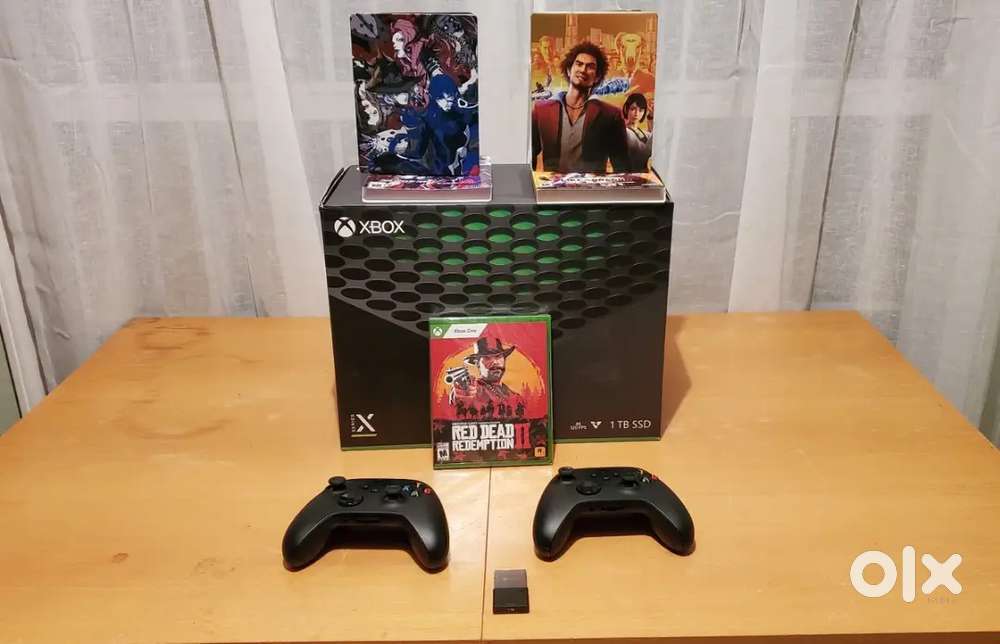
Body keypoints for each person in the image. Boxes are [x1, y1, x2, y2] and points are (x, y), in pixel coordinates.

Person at [531, 41, 628, 173]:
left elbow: (622, 167)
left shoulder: (610, 115)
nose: (583, 70)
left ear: (597, 77)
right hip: (552, 185)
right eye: (579, 64)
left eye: (590, 66)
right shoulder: (541, 110)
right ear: (568, 70)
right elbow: (529, 157)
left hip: (592, 186)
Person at [446, 337, 525, 411]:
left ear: (504, 359)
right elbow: (460, 396)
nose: (495, 362)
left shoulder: (515, 396)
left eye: (498, 356)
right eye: (487, 357)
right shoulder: (475, 387)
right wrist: (460, 396)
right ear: (477, 363)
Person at [622, 93, 652, 171]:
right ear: (626, 109)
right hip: (630, 174)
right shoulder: (624, 131)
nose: (636, 113)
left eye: (641, 110)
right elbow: (643, 151)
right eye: (633, 109)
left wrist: (651, 117)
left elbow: (653, 140)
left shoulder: (644, 133)